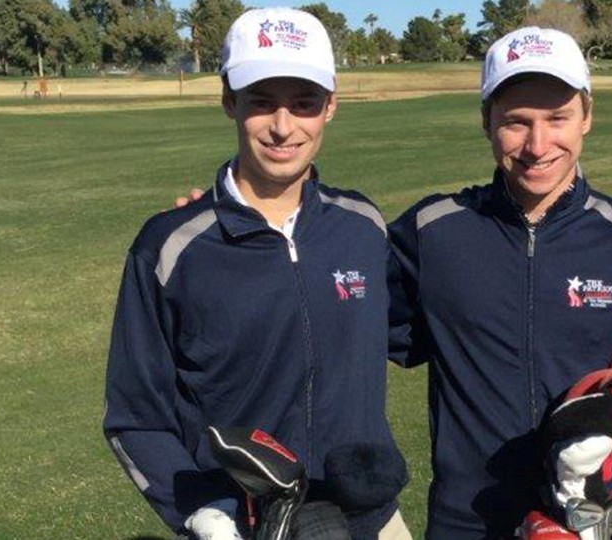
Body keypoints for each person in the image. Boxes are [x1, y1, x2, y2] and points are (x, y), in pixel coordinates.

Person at [387, 27, 612, 539]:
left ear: (587, 117)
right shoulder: (433, 234)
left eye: (557, 118)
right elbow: (331, 303)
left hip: (588, 525)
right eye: (517, 122)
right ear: (486, 121)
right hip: (464, 526)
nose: (538, 145)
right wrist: (225, 219)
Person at [103, 8, 410, 540]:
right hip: (242, 525)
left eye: (304, 103)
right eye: (262, 102)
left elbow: (431, 331)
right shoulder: (173, 245)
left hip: (370, 519)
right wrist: (203, 510)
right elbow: (135, 414)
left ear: (330, 107)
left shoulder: (362, 226)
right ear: (229, 101)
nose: (283, 126)